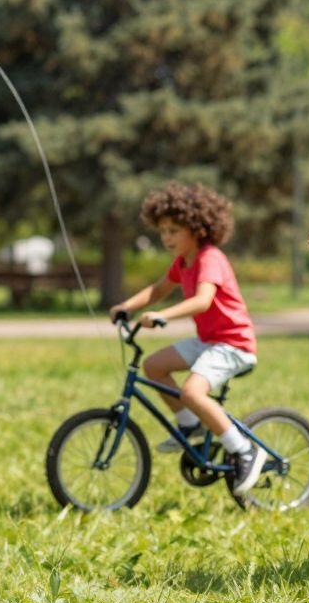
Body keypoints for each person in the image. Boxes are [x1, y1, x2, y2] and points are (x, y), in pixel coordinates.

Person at [109, 182, 264, 498]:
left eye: (174, 230)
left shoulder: (209, 258)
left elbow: (203, 301)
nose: (166, 238)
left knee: (193, 391)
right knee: (154, 366)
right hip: (209, 341)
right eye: (163, 230)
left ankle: (244, 450)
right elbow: (156, 290)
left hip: (233, 344)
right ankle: (190, 424)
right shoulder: (183, 263)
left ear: (197, 227)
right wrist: (127, 307)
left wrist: (163, 315)